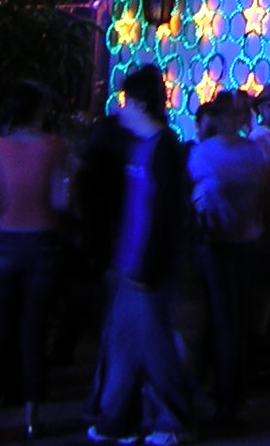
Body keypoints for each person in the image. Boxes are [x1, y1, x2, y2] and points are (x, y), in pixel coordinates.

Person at [85, 65, 193, 446]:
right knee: (124, 345)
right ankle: (119, 420)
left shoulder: (164, 148)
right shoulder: (137, 146)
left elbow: (165, 212)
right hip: (129, 262)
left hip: (148, 267)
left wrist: (150, 263)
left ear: (142, 104)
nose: (121, 109)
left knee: (153, 347)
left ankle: (168, 421)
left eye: (127, 102)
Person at [0, 82, 68, 440]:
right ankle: (32, 416)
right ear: (39, 110)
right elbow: (60, 200)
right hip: (42, 244)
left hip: (3, 244)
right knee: (35, 331)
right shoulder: (54, 147)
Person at [187, 92, 268, 429]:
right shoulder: (255, 153)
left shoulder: (203, 155)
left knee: (222, 322)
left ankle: (224, 398)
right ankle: (234, 399)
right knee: (237, 322)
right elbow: (266, 196)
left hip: (217, 244)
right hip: (245, 241)